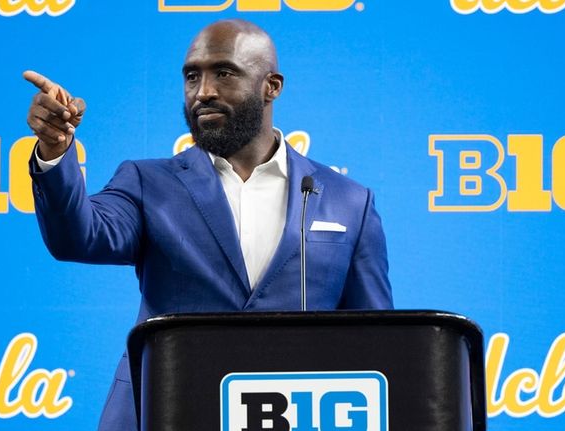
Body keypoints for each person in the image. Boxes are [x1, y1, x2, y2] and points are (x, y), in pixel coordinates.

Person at [24, 19, 393, 431]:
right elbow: (78, 236)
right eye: (191, 76)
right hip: (165, 412)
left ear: (271, 86)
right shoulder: (147, 182)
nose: (203, 92)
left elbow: (375, 341)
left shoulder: (349, 201)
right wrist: (56, 150)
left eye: (224, 73)